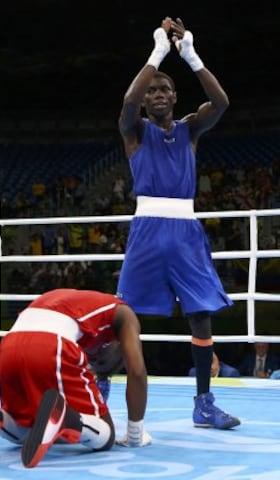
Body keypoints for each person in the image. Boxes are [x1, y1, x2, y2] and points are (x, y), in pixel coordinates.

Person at [116, 16, 240, 429]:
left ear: (175, 96)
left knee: (201, 314)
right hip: (147, 229)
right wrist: (157, 53)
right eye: (152, 90)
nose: (157, 94)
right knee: (123, 312)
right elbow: (129, 103)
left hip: (185, 231)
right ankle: (98, 387)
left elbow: (221, 103)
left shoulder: (190, 130)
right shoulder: (134, 132)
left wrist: (189, 54)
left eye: (165, 88)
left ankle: (204, 402)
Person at [0, 288, 150, 469]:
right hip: (51, 344)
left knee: (26, 427)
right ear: (116, 343)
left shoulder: (68, 301)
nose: (97, 360)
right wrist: (135, 435)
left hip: (9, 346)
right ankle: (67, 417)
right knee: (106, 435)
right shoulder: (124, 313)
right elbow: (137, 371)